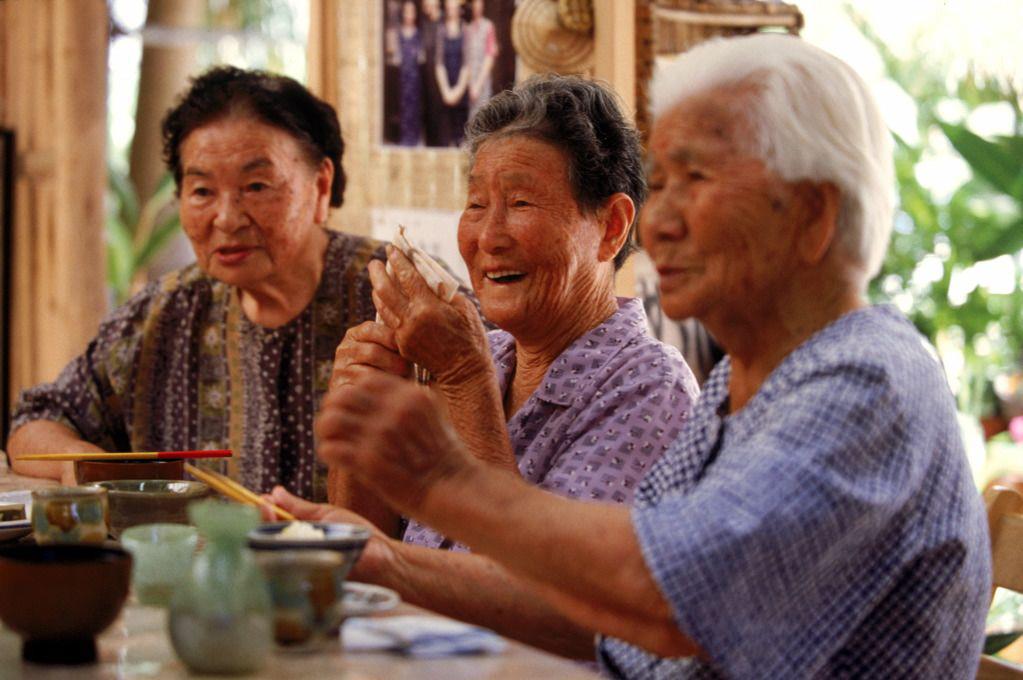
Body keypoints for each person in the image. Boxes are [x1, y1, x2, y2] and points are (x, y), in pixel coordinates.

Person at [283, 34, 992, 676]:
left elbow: (666, 599)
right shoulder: (744, 385)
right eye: (665, 181)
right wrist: (380, 555)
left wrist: (442, 478)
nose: (660, 220)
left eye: (698, 180)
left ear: (811, 216)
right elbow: (588, 607)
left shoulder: (865, 382)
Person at [6, 67, 463, 502]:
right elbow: (35, 421)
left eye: (257, 186)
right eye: (202, 191)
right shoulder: (161, 315)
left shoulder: (401, 293)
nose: (226, 219)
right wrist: (87, 463)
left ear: (321, 186)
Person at [329, 74, 699, 545]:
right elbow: (361, 558)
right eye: (477, 204)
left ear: (612, 227)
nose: (488, 237)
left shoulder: (648, 388)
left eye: (521, 202)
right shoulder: (491, 355)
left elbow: (551, 602)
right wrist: (363, 409)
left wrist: (464, 378)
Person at [436, 0, 469, 146]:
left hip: (460, 85)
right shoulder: (441, 30)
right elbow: (439, 63)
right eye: (449, 8)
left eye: (454, 8)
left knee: (460, 135)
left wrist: (458, 91)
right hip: (445, 85)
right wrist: (446, 92)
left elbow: (467, 64)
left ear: (459, 10)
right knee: (444, 133)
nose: (451, 11)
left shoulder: (465, 29)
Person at [464, 0, 498, 119]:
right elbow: (466, 59)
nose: (477, 6)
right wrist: (469, 83)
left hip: (482, 81)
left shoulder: (488, 26)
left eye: (480, 3)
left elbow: (490, 57)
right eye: (475, 4)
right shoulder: (467, 28)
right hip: (469, 81)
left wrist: (478, 85)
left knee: (482, 116)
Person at [397, 0, 424, 146]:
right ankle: (405, 138)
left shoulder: (418, 33)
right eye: (407, 11)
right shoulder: (399, 33)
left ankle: (415, 138)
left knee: (415, 107)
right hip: (403, 78)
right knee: (404, 107)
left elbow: (421, 57)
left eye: (411, 11)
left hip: (415, 78)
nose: (409, 14)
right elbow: (395, 57)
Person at [420, 0, 445, 146]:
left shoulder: (443, 22)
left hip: (441, 73)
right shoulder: (424, 23)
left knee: (439, 109)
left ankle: (439, 144)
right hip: (426, 74)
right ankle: (430, 143)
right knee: (428, 108)